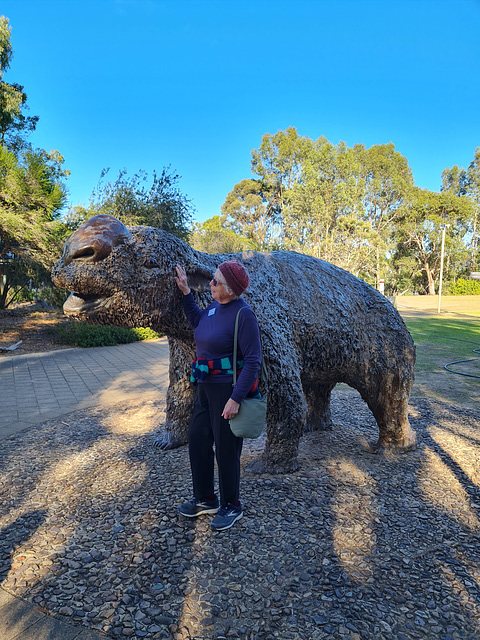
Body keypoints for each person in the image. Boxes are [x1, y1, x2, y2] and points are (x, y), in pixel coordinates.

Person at [174, 260, 262, 531]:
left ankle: (231, 505)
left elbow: (253, 361)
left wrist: (235, 398)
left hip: (227, 389)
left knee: (226, 450)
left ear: (231, 290)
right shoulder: (214, 306)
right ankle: (205, 499)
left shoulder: (242, 315)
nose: (210, 284)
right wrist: (186, 293)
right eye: (212, 279)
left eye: (215, 282)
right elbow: (198, 323)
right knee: (198, 440)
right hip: (205, 386)